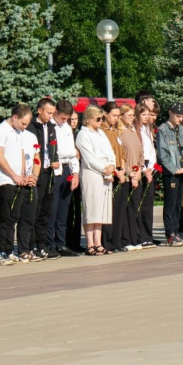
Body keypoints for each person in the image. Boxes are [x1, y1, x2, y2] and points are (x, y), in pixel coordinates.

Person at [0, 104, 37, 265]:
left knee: (13, 219)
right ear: (15, 117)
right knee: (4, 218)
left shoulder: (19, 133)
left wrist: (24, 175)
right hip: (6, 181)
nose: (25, 127)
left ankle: (9, 250)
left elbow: (21, 155)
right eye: (23, 123)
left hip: (18, 181)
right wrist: (13, 175)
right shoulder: (1, 130)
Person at [76, 105, 117, 254]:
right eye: (98, 119)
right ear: (88, 119)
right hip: (92, 172)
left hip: (106, 171)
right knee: (92, 207)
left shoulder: (100, 133)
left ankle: (98, 242)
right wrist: (103, 168)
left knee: (101, 208)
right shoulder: (83, 134)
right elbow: (88, 157)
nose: (100, 121)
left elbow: (110, 150)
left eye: (101, 118)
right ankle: (90, 243)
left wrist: (112, 164)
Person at [26, 98, 58, 261]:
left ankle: (42, 244)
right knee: (35, 210)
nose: (51, 116)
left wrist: (56, 159)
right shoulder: (32, 127)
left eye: (53, 113)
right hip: (35, 173)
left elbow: (53, 147)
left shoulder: (51, 126)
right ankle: (30, 245)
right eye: (48, 113)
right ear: (40, 111)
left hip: (49, 172)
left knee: (46, 211)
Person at [48, 100, 81, 257]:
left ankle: (61, 243)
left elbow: (73, 153)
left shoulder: (67, 127)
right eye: (62, 117)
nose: (64, 121)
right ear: (55, 112)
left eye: (66, 118)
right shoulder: (50, 127)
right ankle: (50, 244)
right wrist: (67, 154)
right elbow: (55, 152)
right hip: (56, 169)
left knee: (63, 209)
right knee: (53, 209)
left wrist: (75, 173)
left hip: (68, 168)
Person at [157, 103, 183, 246]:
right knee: (170, 204)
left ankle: (176, 231)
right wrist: (175, 169)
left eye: (181, 116)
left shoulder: (182, 130)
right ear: (170, 113)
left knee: (178, 204)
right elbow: (162, 154)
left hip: (182, 172)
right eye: (177, 116)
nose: (179, 119)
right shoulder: (163, 130)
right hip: (171, 173)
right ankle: (170, 233)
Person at [100, 102, 128, 253]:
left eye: (118, 116)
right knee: (108, 209)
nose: (116, 119)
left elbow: (121, 152)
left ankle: (116, 241)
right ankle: (107, 241)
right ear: (105, 114)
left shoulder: (116, 131)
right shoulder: (102, 131)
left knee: (119, 208)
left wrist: (123, 169)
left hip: (120, 172)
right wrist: (116, 171)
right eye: (114, 115)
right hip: (109, 173)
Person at [118, 104, 146, 250]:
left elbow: (140, 152)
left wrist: (139, 169)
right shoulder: (120, 132)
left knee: (134, 208)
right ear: (121, 116)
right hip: (127, 175)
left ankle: (135, 237)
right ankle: (125, 239)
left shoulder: (132, 131)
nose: (131, 118)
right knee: (126, 207)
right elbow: (121, 155)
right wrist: (130, 172)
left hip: (136, 174)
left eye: (132, 115)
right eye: (128, 115)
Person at [136, 99, 159, 246]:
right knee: (141, 205)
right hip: (141, 169)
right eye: (143, 114)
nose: (147, 117)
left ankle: (147, 235)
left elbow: (151, 150)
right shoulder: (136, 130)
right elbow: (140, 151)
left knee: (148, 205)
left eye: (148, 114)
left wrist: (152, 167)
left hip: (150, 168)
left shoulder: (148, 129)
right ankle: (140, 236)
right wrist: (145, 169)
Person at [65, 109, 85, 252]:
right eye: (71, 119)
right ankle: (67, 241)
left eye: (76, 119)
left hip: (77, 174)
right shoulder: (65, 134)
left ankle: (76, 241)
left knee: (76, 210)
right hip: (67, 174)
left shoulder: (77, 135)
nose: (74, 122)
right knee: (67, 211)